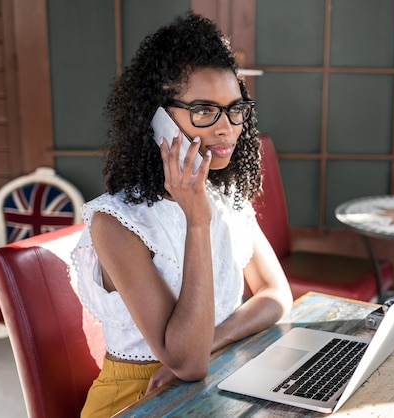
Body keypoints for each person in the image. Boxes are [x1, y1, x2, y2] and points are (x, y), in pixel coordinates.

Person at [72, 12, 293, 418]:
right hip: (139, 400)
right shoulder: (115, 223)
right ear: (158, 120)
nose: (227, 129)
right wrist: (197, 220)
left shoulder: (226, 197)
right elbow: (187, 364)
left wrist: (213, 341)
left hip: (219, 376)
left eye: (235, 109)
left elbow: (277, 296)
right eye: (205, 111)